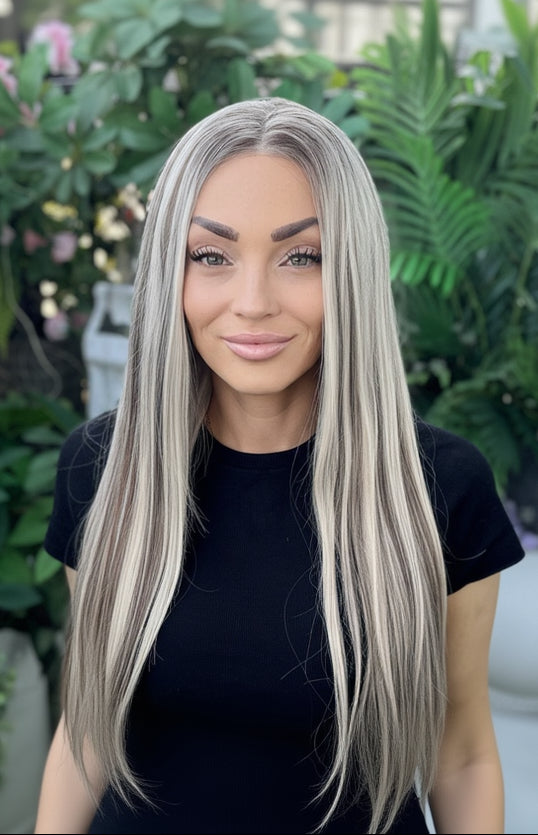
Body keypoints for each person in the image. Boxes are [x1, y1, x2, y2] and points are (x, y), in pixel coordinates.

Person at [34, 97, 525, 835]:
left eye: (302, 256)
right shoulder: (104, 470)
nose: (253, 302)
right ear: (174, 272)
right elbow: (86, 733)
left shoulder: (438, 486)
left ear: (350, 272)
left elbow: (460, 755)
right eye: (212, 256)